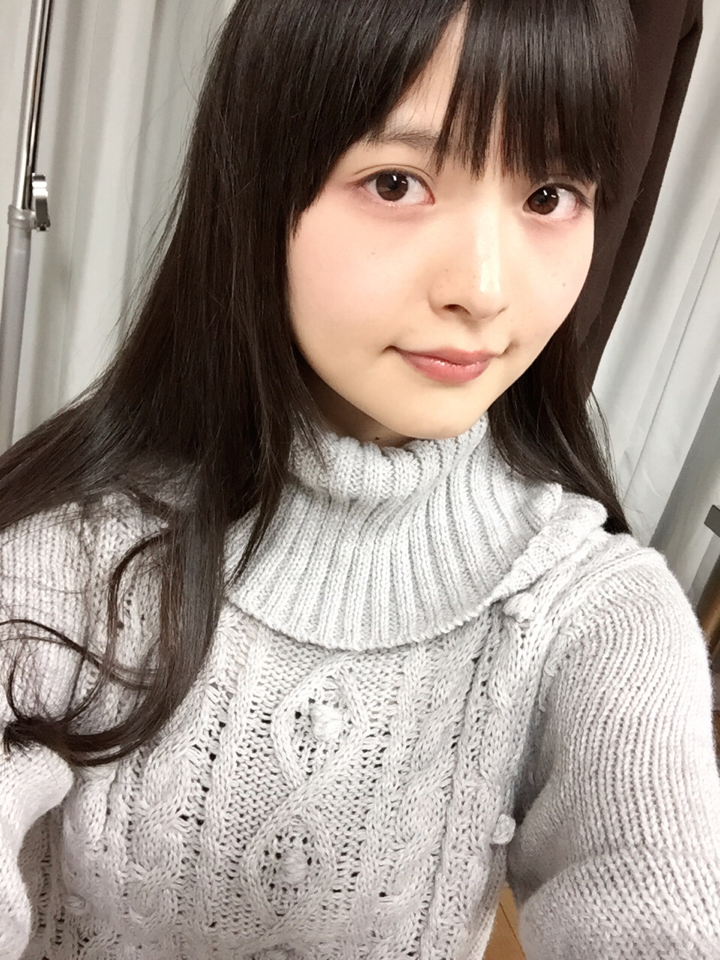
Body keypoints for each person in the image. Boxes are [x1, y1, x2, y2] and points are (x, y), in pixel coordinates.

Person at [1, 1, 718, 958]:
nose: (486, 289)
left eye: (549, 196)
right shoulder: (68, 558)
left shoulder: (591, 619)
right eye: (397, 182)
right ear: (258, 192)